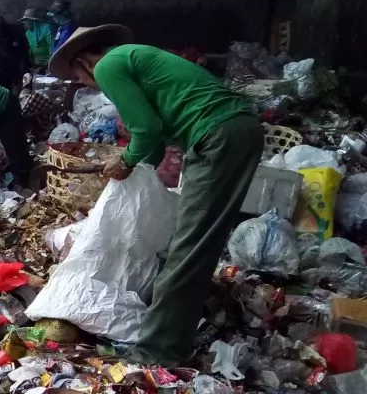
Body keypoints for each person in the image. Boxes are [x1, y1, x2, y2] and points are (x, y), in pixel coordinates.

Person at [50, 25, 264, 366]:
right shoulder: (134, 57)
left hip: (217, 137)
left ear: (83, 63)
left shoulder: (109, 66)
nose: (86, 85)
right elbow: (154, 137)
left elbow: (144, 131)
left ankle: (157, 351)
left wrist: (126, 160)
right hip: (233, 132)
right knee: (195, 240)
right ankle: (177, 325)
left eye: (79, 78)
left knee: (189, 247)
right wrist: (132, 173)